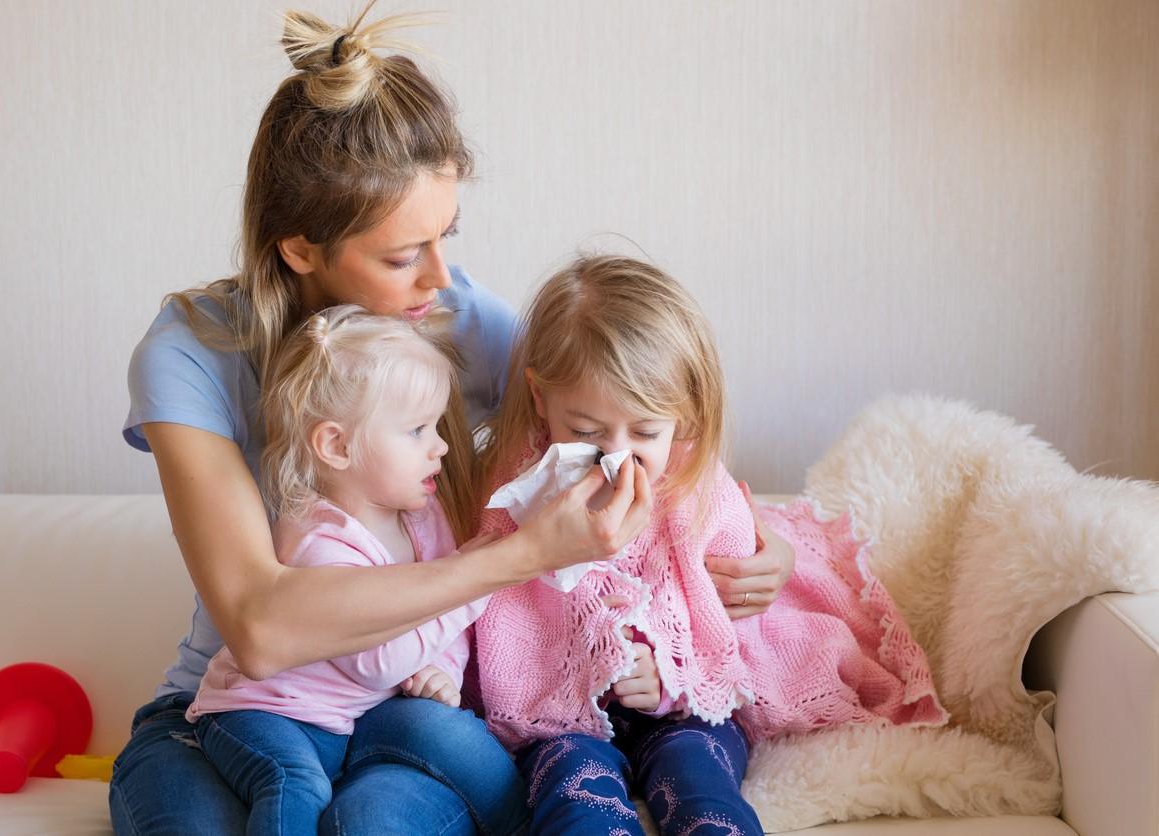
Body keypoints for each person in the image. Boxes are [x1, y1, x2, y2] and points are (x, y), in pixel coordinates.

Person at [111, 6, 789, 833]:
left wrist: (763, 538)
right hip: (237, 714)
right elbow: (258, 627)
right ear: (300, 249)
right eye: (402, 256)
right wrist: (521, 555)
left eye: (446, 237)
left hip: (413, 711)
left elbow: (638, 414)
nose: (441, 277)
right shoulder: (192, 353)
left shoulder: (455, 316)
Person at [473, 255, 945, 835]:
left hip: (687, 715)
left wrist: (666, 675)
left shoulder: (698, 492)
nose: (619, 452)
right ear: (540, 396)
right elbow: (503, 621)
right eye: (587, 431)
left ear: (684, 413)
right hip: (566, 716)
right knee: (574, 796)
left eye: (646, 431)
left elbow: (724, 625)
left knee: (700, 786)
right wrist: (590, 663)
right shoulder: (517, 488)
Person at [184, 305, 524, 835]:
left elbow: (440, 620)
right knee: (297, 786)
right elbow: (382, 663)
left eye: (435, 425)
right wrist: (479, 581)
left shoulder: (424, 517)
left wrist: (444, 672)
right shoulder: (322, 539)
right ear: (337, 446)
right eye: (416, 430)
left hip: (341, 723)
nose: (442, 446)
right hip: (261, 713)